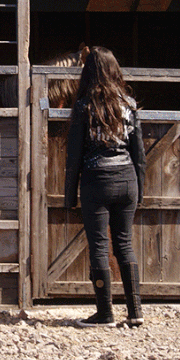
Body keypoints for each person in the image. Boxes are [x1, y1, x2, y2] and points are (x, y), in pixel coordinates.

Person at [64, 47, 146, 328]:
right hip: (127, 179)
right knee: (124, 243)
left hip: (96, 180)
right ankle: (135, 312)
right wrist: (140, 190)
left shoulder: (84, 106)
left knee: (100, 245)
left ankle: (105, 313)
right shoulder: (129, 104)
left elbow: (73, 155)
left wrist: (68, 196)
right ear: (114, 70)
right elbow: (139, 153)